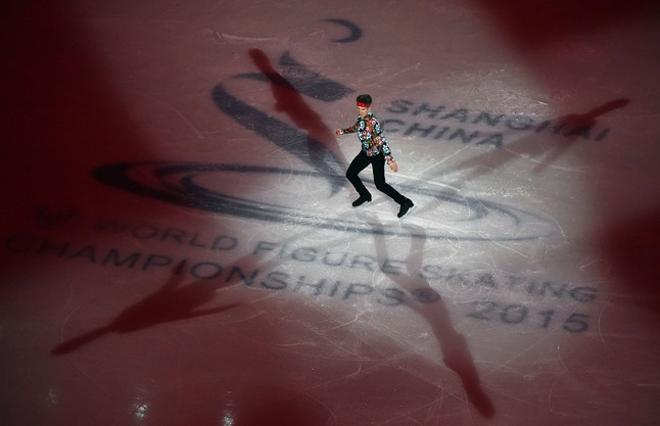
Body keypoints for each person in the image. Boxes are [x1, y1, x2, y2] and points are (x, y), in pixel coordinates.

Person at [335, 94, 414, 218]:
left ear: (368, 108)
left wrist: (390, 159)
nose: (360, 111)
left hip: (377, 156)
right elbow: (356, 127)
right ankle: (365, 195)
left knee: (380, 184)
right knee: (350, 174)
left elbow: (381, 141)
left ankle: (405, 202)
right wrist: (343, 131)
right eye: (359, 108)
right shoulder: (361, 119)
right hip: (365, 153)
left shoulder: (372, 123)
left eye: (363, 109)